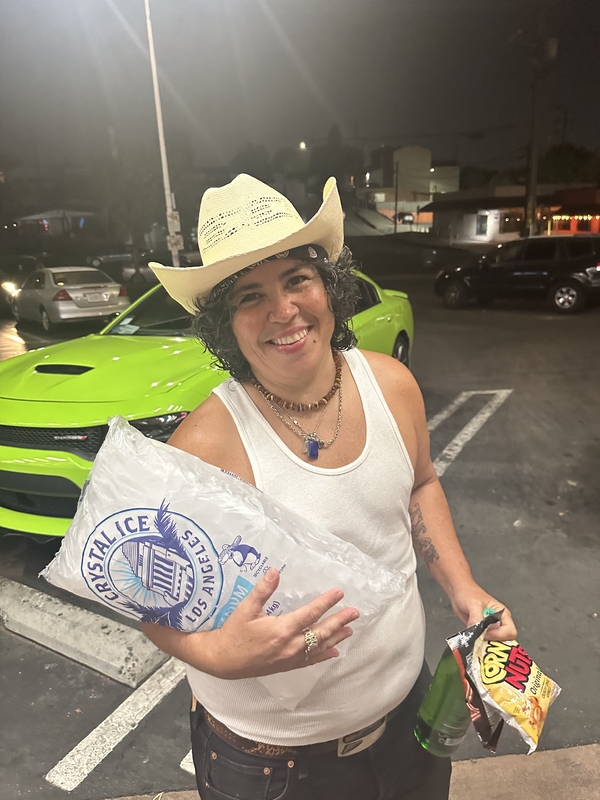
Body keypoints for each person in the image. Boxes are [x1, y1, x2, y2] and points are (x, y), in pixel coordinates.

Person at [144, 174, 517, 800]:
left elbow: (421, 485)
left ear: (328, 286)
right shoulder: (204, 447)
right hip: (273, 766)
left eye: (297, 279)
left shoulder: (392, 385)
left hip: (409, 725)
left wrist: (463, 587)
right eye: (250, 296)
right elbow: (152, 601)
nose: (284, 310)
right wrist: (219, 655)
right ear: (224, 324)